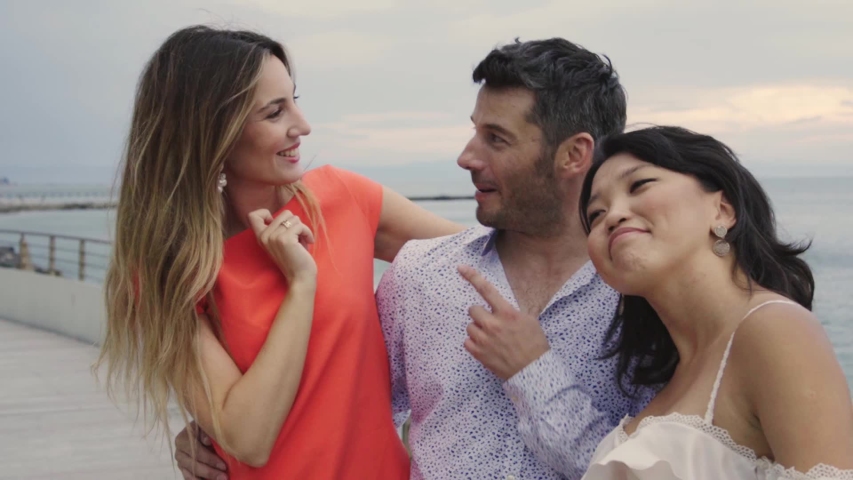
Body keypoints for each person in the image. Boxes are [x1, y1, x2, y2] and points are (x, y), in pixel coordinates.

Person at [176, 37, 649, 480]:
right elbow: (342, 395)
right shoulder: (425, 276)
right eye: (275, 111)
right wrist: (215, 429)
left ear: (574, 155)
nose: (465, 157)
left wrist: (535, 369)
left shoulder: (645, 299)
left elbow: (657, 465)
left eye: (496, 138)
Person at [95, 25, 461, 480]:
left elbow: (488, 262)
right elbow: (249, 437)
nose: (302, 126)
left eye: (295, 100)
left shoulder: (345, 198)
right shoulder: (168, 269)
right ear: (214, 133)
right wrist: (301, 285)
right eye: (274, 112)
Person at [579, 126, 853, 478]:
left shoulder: (774, 329)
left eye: (640, 185)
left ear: (722, 210)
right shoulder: (672, 376)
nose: (613, 215)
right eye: (595, 215)